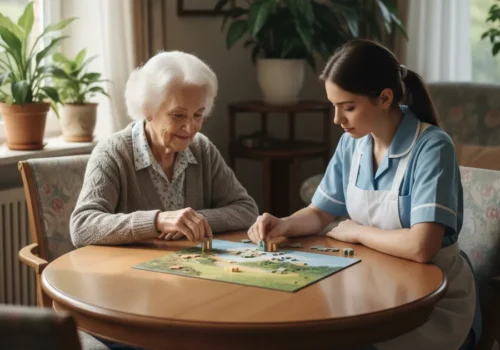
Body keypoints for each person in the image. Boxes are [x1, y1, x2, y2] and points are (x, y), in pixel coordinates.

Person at [247, 39, 480, 350]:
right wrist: (283, 223)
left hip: (432, 307)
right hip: (373, 287)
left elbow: (422, 246)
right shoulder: (353, 143)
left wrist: (356, 232)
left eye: (348, 107)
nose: (337, 119)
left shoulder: (432, 147)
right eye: (334, 106)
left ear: (384, 98)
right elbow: (321, 213)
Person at [71, 51, 259, 248]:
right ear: (147, 110)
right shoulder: (112, 153)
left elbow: (246, 209)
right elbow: (82, 227)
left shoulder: (202, 149)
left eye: (198, 115)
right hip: (129, 274)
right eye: (178, 115)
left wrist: (194, 220)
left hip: (190, 271)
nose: (190, 127)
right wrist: (158, 221)